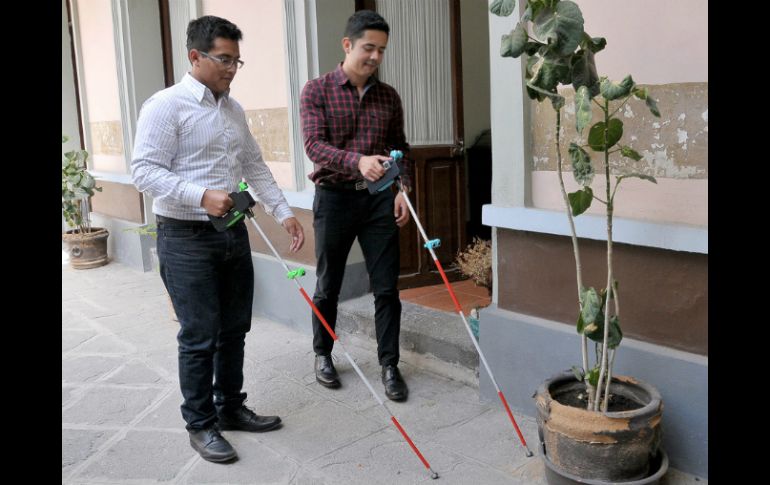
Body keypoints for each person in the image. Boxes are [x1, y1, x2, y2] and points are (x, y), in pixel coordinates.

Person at [131, 15, 305, 463]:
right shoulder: (165, 106)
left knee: (235, 329)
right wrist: (200, 195)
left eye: (236, 60)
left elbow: (255, 165)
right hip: (185, 238)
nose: (231, 68)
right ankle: (201, 423)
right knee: (199, 336)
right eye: (223, 59)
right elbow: (144, 171)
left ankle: (230, 407)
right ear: (196, 56)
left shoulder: (233, 110)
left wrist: (284, 213)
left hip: (232, 234)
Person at [300, 10, 411, 402]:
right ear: (347, 45)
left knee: (387, 288)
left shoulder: (388, 96)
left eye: (381, 50)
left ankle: (389, 365)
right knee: (328, 284)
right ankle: (323, 354)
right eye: (369, 48)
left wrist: (402, 188)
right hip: (334, 198)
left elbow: (401, 149)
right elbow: (314, 146)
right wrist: (357, 161)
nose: (376, 57)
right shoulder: (316, 90)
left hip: (380, 199)